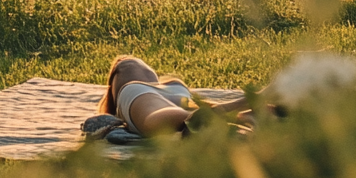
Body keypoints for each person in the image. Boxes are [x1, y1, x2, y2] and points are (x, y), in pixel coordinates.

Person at [96, 54, 258, 138]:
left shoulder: (127, 79)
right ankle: (245, 112)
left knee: (188, 116)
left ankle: (244, 110)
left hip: (149, 95)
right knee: (188, 115)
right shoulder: (128, 73)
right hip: (173, 90)